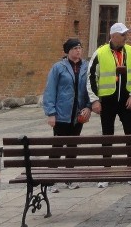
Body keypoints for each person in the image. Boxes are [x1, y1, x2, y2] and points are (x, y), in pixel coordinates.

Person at [87, 22, 131, 187]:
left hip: (126, 100)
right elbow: (90, 78)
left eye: (126, 34)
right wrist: (94, 100)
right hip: (107, 100)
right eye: (122, 34)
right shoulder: (100, 53)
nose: (125, 37)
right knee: (107, 135)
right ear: (113, 36)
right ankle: (106, 172)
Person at [42, 38, 91, 191]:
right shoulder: (59, 67)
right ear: (68, 51)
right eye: (75, 48)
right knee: (57, 147)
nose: (78, 51)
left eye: (80, 48)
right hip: (62, 113)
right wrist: (51, 113)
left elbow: (90, 89)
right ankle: (51, 180)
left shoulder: (86, 67)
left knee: (72, 147)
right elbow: (50, 90)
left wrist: (88, 107)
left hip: (78, 114)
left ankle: (69, 177)